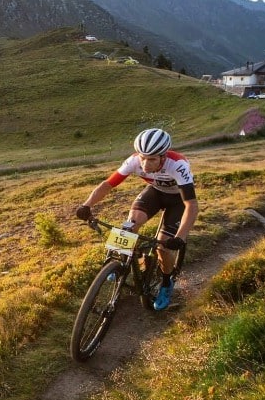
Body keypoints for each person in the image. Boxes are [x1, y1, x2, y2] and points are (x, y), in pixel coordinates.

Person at [74, 128, 198, 311]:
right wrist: (87, 205)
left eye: (152, 159)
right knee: (131, 222)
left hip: (178, 200)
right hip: (156, 192)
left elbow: (191, 206)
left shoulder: (177, 165)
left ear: (163, 157)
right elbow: (108, 184)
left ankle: (166, 283)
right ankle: (118, 262)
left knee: (163, 246)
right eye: (143, 158)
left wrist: (180, 237)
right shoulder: (133, 161)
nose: (146, 164)